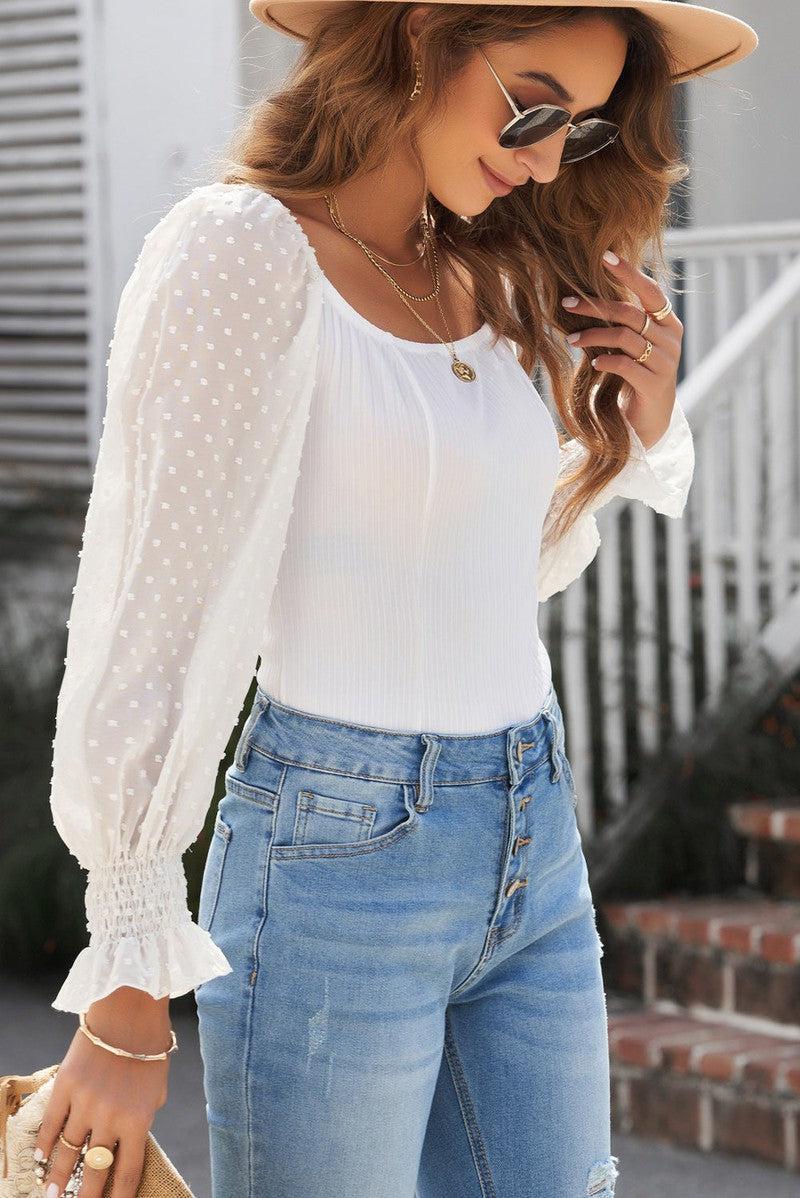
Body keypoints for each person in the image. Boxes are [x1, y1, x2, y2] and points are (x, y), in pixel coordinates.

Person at [34, 3, 757, 1196]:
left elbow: (475, 567)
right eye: (530, 108)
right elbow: (150, 608)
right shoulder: (241, 249)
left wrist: (639, 416)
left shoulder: (493, 277)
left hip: (532, 832)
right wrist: (126, 984)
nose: (543, 160)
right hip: (333, 858)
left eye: (574, 130)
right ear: (422, 33)